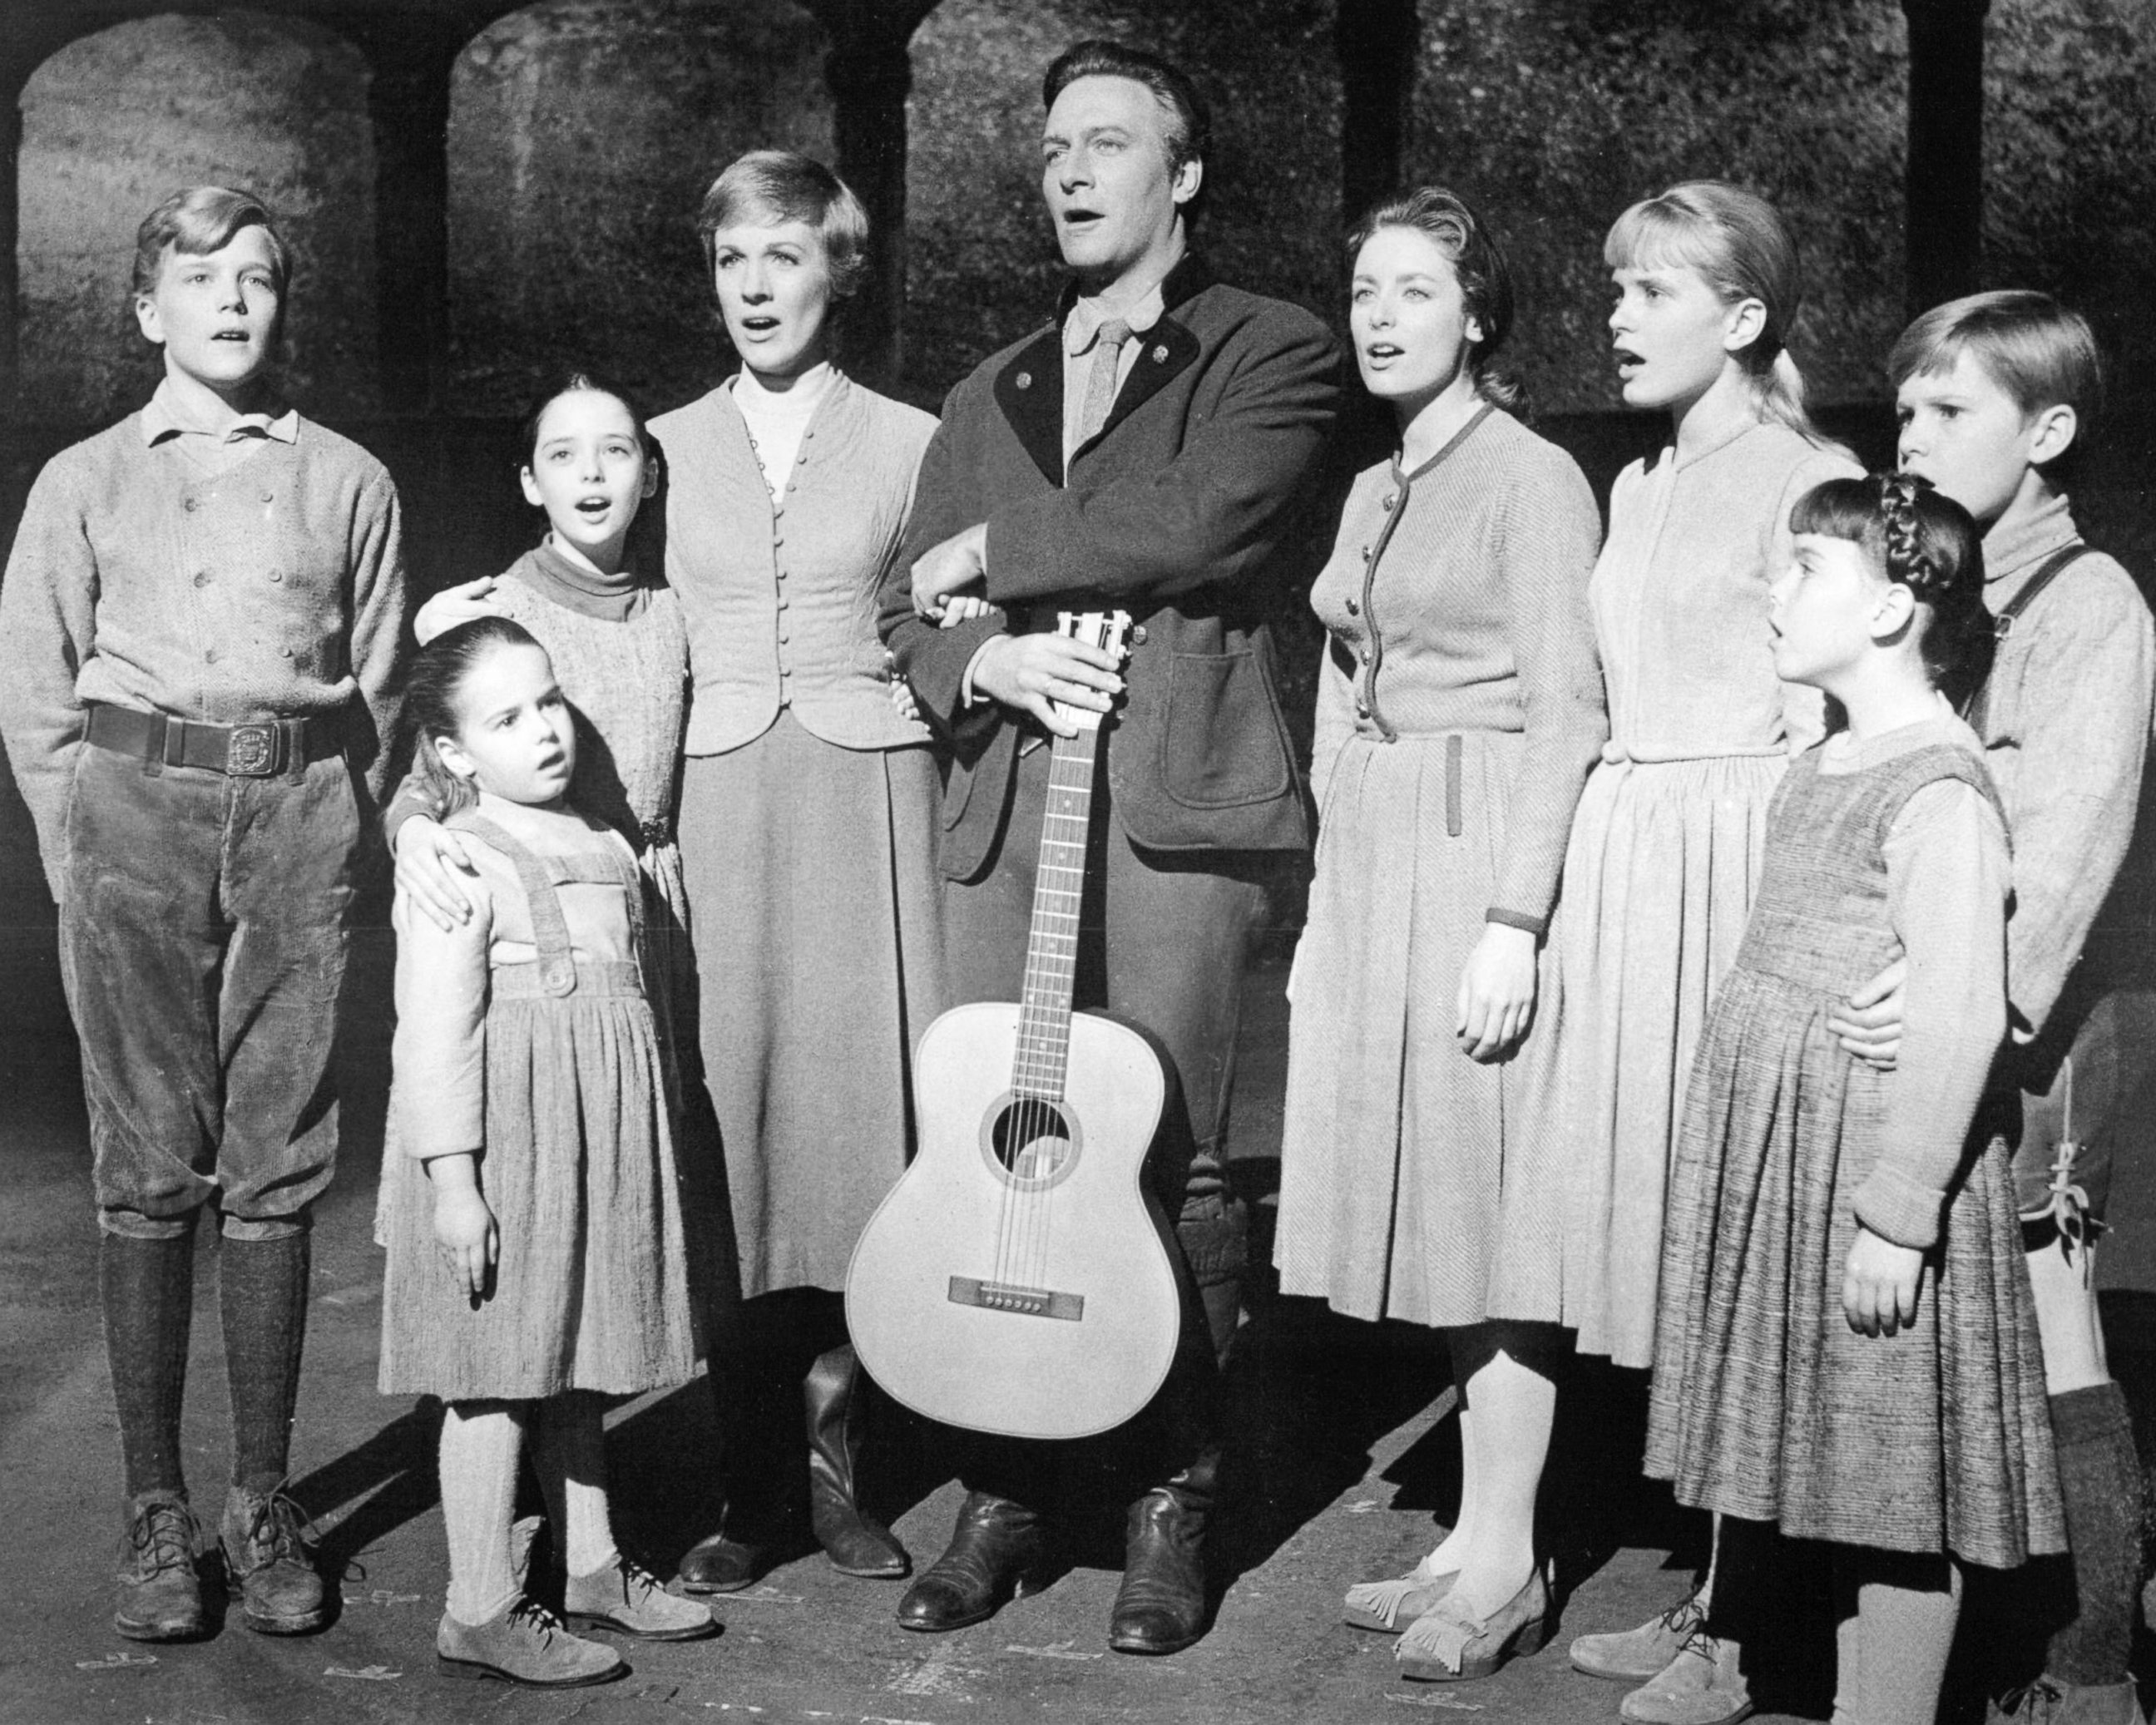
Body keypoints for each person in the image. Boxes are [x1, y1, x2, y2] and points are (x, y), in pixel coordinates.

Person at [402, 152, 938, 1594]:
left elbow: (951, 615)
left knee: (855, 1134)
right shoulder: (657, 443)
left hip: (867, 800)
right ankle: (748, 1482)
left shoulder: (913, 438)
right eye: (729, 262)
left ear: (841, 270)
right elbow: (549, 613)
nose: (754, 288)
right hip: (700, 819)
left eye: (783, 258)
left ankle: (844, 1477)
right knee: (724, 1140)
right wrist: (428, 783)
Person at [878, 39, 1342, 1655]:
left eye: (1108, 143)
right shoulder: (985, 386)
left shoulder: (1268, 347)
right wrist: (980, 660)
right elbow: (901, 611)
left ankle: (1175, 1500)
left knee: (1187, 1155)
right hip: (1010, 812)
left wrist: (993, 554)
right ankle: (1008, 1487)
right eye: (1054, 148)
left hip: (1175, 813)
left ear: (1184, 172)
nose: (1069, 171)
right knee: (1013, 1137)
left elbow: (1208, 521)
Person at [0, 186, 406, 1642]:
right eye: (198, 275)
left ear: (282, 307)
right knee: (149, 1166)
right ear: (146, 306)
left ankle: (258, 1492)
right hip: (133, 814)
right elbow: (36, 690)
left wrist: (339, 829)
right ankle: (155, 1505)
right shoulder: (88, 477)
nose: (232, 299)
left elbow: (385, 687)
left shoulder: (349, 479)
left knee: (280, 1158)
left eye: (258, 277)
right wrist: (82, 848)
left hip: (298, 819)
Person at [1646, 472, 2065, 1725]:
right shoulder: (1833, 753)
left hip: (1868, 1156)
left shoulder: (1937, 784)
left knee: (1889, 1470)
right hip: (1787, 1146)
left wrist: (1900, 1208)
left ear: (1893, 609)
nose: (1774, 593)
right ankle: (1764, 1657)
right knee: (1802, 1429)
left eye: (1804, 571)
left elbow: (1957, 1012)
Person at [1268, 188, 1605, 1683]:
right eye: (1363, 290)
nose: (1380, 314)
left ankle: (1516, 1553)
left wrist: (1514, 916)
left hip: (1478, 849)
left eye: (1414, 290)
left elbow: (1568, 707)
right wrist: (1339, 864)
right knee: (1438, 1209)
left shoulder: (1530, 476)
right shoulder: (1374, 481)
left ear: (1479, 316)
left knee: (1492, 1203)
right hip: (1383, 852)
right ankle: (1471, 1534)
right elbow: (1348, 681)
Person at [1543, 181, 1860, 1725]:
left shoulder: (1814, 480)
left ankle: (1753, 1633)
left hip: (1736, 869)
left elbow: (1840, 731)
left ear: (1740, 319)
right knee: (1673, 1234)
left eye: (1650, 292)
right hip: (1628, 862)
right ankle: (1719, 1594)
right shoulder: (1643, 476)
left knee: (1749, 1235)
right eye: (1611, 289)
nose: (1614, 317)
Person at [1827, 293, 2154, 1725]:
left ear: (2050, 431)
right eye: (1902, 411)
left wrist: (1971, 985)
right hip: (1926, 1005)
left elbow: (2067, 841)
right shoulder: (1940, 593)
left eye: (1948, 412)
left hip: (2045, 1030)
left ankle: (2092, 1665)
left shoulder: (2088, 606)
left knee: (2050, 1319)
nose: (1911, 436)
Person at [378, 618, 712, 1688]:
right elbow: (431, 1031)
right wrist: (454, 1183)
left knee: (579, 1346)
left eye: (551, 701)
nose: (545, 730)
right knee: (494, 1367)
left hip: (594, 1132)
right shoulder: (458, 854)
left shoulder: (608, 842)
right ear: (455, 752)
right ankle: (474, 1600)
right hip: (504, 1139)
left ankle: (593, 1564)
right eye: (507, 717)